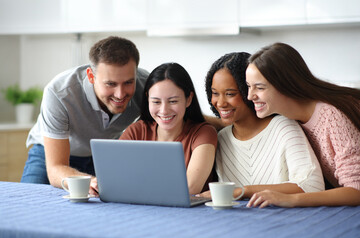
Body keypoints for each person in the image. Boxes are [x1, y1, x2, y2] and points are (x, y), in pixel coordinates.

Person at [21, 36, 149, 196]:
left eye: (128, 82)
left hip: (100, 155)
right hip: (52, 154)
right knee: (29, 200)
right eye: (111, 84)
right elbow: (55, 169)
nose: (120, 93)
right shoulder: (60, 93)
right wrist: (87, 180)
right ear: (91, 76)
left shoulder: (147, 87)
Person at [245, 42, 360, 207]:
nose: (250, 96)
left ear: (285, 84)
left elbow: (356, 190)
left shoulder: (332, 116)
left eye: (259, 88)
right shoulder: (287, 118)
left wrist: (291, 199)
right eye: (249, 86)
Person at [199, 52, 324, 200]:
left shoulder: (283, 127)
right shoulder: (222, 138)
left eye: (230, 94)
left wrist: (242, 191)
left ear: (250, 91)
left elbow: (312, 185)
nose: (220, 103)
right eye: (215, 93)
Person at [119, 63, 218, 194]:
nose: (164, 111)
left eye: (173, 101)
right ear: (148, 99)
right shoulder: (136, 131)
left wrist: (136, 187)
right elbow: (116, 180)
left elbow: (190, 188)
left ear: (188, 99)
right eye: (156, 102)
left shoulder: (203, 133)